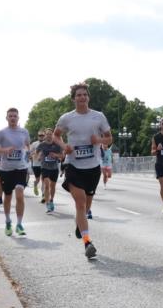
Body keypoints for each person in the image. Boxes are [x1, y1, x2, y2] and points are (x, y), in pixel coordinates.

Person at [53, 83, 112, 259]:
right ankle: (87, 242)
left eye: (84, 94)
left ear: (88, 97)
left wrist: (99, 139)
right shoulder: (66, 118)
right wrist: (65, 146)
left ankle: (80, 224)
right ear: (73, 98)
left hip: (93, 167)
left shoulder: (98, 116)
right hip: (73, 166)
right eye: (78, 95)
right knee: (80, 204)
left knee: (85, 207)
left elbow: (109, 138)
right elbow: (56, 135)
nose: (82, 97)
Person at [0, 108, 31, 236]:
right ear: (7, 118)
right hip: (6, 169)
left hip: (20, 168)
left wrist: (27, 152)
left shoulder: (24, 132)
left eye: (15, 116)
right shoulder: (2, 133)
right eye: (10, 116)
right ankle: (8, 221)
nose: (13, 118)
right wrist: (4, 150)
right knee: (7, 197)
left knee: (19, 195)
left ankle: (19, 224)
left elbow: (27, 145)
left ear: (18, 118)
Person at [37, 128, 62, 213]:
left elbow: (62, 156)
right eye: (47, 134)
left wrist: (55, 155)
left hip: (54, 168)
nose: (49, 135)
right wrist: (40, 156)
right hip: (45, 168)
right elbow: (37, 154)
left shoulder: (57, 145)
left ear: (53, 135)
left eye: (50, 134)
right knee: (47, 185)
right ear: (45, 135)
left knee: (53, 186)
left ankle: (51, 200)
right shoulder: (42, 145)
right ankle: (47, 203)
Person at [30, 129, 44, 198]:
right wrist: (35, 154)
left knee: (44, 179)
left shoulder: (47, 143)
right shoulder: (34, 144)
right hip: (36, 164)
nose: (41, 137)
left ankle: (43, 194)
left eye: (42, 135)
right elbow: (29, 153)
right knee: (38, 179)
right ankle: (35, 185)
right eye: (40, 135)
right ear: (38, 136)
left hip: (44, 164)